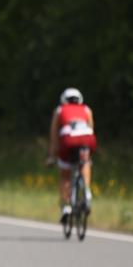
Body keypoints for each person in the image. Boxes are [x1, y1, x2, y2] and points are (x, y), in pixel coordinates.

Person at [46, 87, 96, 223]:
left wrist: (52, 156)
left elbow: (54, 136)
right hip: (87, 139)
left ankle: (66, 207)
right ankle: (86, 191)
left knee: (65, 176)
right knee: (85, 163)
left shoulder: (59, 110)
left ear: (63, 100)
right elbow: (91, 129)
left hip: (69, 140)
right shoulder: (87, 110)